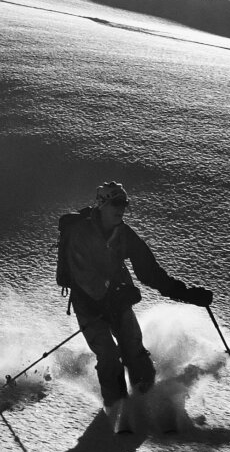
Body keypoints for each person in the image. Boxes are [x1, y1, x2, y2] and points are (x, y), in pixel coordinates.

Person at [55, 181, 215, 431]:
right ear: (102, 205)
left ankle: (147, 401)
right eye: (116, 203)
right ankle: (117, 412)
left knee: (134, 350)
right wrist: (113, 294)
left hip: (118, 298)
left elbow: (150, 271)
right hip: (88, 305)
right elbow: (86, 279)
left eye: (124, 204)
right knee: (109, 356)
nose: (122, 209)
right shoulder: (81, 234)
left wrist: (186, 294)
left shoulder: (124, 234)